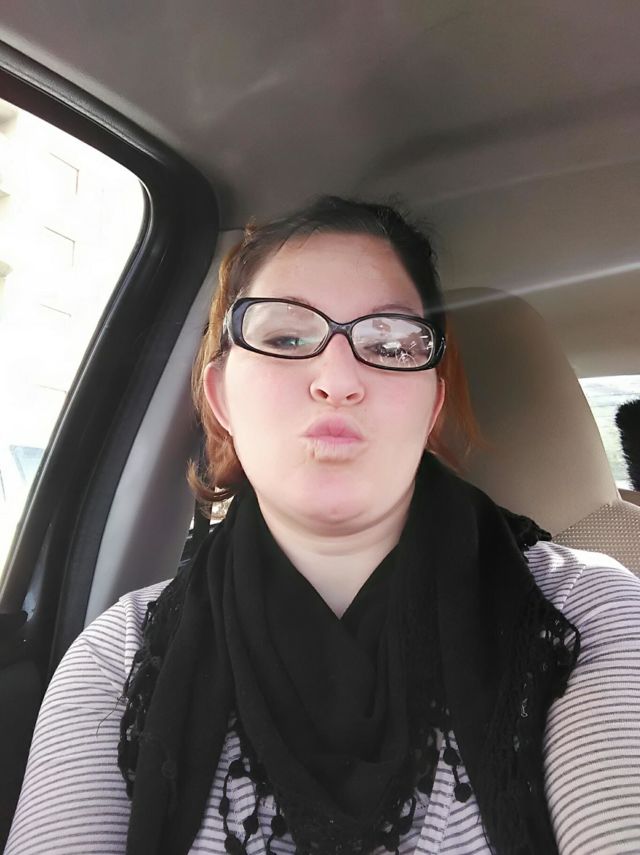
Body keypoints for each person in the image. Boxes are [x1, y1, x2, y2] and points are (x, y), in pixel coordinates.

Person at [6, 197, 640, 855]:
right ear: (222, 397)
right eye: (285, 338)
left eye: (389, 345)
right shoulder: (119, 654)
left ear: (432, 405)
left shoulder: (585, 611)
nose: (337, 380)